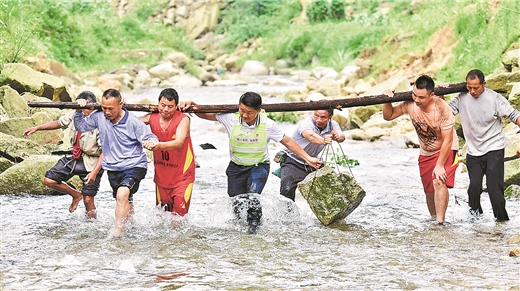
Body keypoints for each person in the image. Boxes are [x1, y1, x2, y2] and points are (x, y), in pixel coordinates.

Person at [178, 92, 322, 233]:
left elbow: (288, 142)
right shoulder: (230, 118)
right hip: (236, 167)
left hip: (259, 166)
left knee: (253, 197)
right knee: (236, 201)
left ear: (259, 111)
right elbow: (205, 114)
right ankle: (239, 230)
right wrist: (194, 105)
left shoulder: (268, 125)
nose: (245, 115)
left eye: (249, 112)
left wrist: (308, 158)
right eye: (242, 110)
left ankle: (254, 230)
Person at [74, 88, 158, 236]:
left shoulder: (132, 121)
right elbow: (81, 126)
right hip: (113, 166)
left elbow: (150, 136)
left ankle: (117, 233)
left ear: (120, 104)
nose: (107, 112)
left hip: (134, 165)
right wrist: (78, 110)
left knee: (122, 194)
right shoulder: (99, 116)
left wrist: (151, 143)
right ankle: (132, 228)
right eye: (104, 108)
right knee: (126, 199)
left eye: (111, 109)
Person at [382, 75, 459, 225]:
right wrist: (387, 99)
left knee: (438, 181)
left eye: (421, 97)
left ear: (432, 95)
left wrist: (439, 165)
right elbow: (388, 115)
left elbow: (448, 140)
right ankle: (433, 218)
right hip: (426, 152)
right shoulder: (411, 103)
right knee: (429, 190)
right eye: (414, 95)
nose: (417, 100)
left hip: (447, 148)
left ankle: (440, 222)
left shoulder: (442, 108)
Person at [448, 69, 520, 222]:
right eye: (469, 87)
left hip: (494, 147)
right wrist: (439, 97)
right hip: (473, 151)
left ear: (484, 84)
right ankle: (476, 221)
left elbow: (515, 116)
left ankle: (502, 221)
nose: (472, 91)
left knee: (494, 188)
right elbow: (445, 113)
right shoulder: (461, 97)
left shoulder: (494, 98)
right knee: (474, 187)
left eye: (476, 87)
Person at [23, 91, 104, 219]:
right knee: (49, 180)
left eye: (84, 109)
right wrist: (37, 128)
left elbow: (105, 153)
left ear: (92, 107)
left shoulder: (101, 121)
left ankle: (91, 227)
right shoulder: (76, 113)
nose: (82, 112)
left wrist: (94, 173)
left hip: (93, 162)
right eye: (79, 109)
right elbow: (59, 123)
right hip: (76, 157)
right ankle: (76, 195)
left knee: (88, 200)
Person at [139, 88, 195, 226]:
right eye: (163, 105)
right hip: (162, 177)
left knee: (177, 219)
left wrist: (157, 146)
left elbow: (179, 142)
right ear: (158, 104)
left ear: (176, 106)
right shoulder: (151, 118)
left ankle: (178, 247)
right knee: (162, 218)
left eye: (170, 106)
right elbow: (126, 121)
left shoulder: (183, 119)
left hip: (183, 176)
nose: (166, 109)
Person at [280, 108, 345, 201]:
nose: (318, 120)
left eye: (323, 117)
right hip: (293, 160)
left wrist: (338, 136)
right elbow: (311, 136)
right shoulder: (306, 124)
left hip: (313, 163)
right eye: (316, 115)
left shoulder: (333, 124)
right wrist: (323, 140)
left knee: (329, 189)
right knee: (286, 192)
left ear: (330, 116)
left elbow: (341, 136)